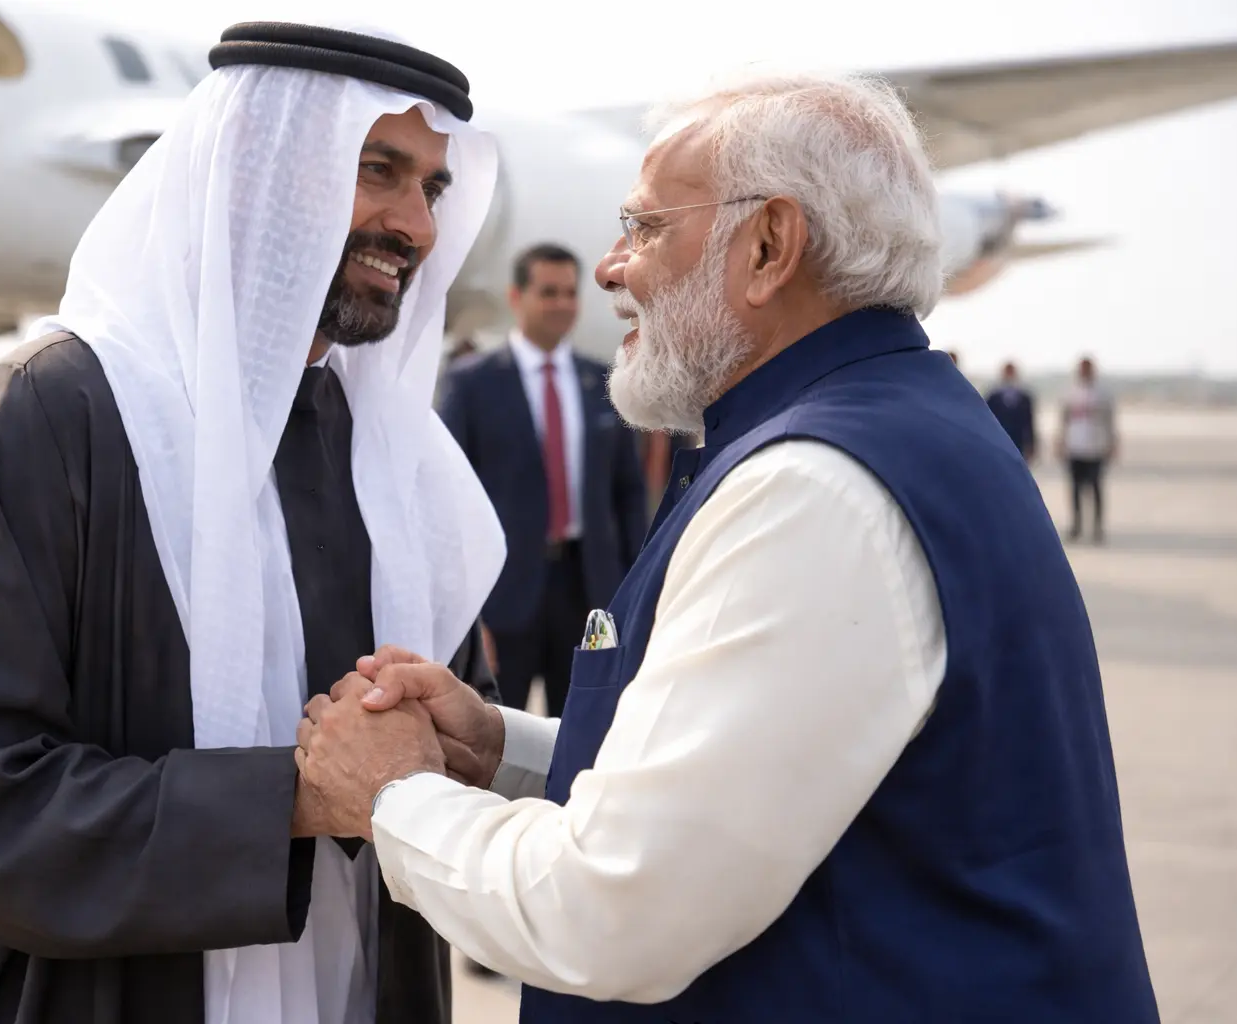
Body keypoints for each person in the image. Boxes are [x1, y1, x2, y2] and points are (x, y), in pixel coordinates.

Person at [293, 69, 1159, 1023]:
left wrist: (391, 794)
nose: (611, 269)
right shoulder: (891, 427)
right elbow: (754, 772)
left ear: (768, 246)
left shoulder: (813, 487)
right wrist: (500, 750)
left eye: (647, 227)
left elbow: (610, 913)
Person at [0, 21, 507, 1024]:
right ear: (258, 176)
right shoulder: (62, 410)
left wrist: (468, 737)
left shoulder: (388, 449)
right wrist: (296, 795)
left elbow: (444, 715)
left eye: (434, 189)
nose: (416, 226)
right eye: (379, 171)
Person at [437, 244, 646, 717]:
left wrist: (634, 589)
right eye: (548, 292)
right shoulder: (472, 384)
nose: (561, 305)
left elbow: (628, 495)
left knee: (585, 724)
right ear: (517, 297)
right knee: (495, 729)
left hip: (588, 589)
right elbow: (447, 499)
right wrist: (465, 609)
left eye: (570, 293)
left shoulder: (604, 381)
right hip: (504, 594)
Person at [1058, 355, 1118, 543]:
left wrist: (1112, 443)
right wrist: (1060, 441)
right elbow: (1064, 419)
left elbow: (1111, 420)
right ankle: (1076, 525)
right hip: (1075, 446)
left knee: (1095, 488)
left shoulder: (1103, 393)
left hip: (1096, 447)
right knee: (1075, 489)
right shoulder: (1070, 392)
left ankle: (1097, 527)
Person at [985, 360, 1038, 461]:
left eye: (1011, 372)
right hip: (999, 440)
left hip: (1018, 441)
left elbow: (1029, 422)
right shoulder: (993, 397)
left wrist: (1031, 443)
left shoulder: (1024, 397)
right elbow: (987, 421)